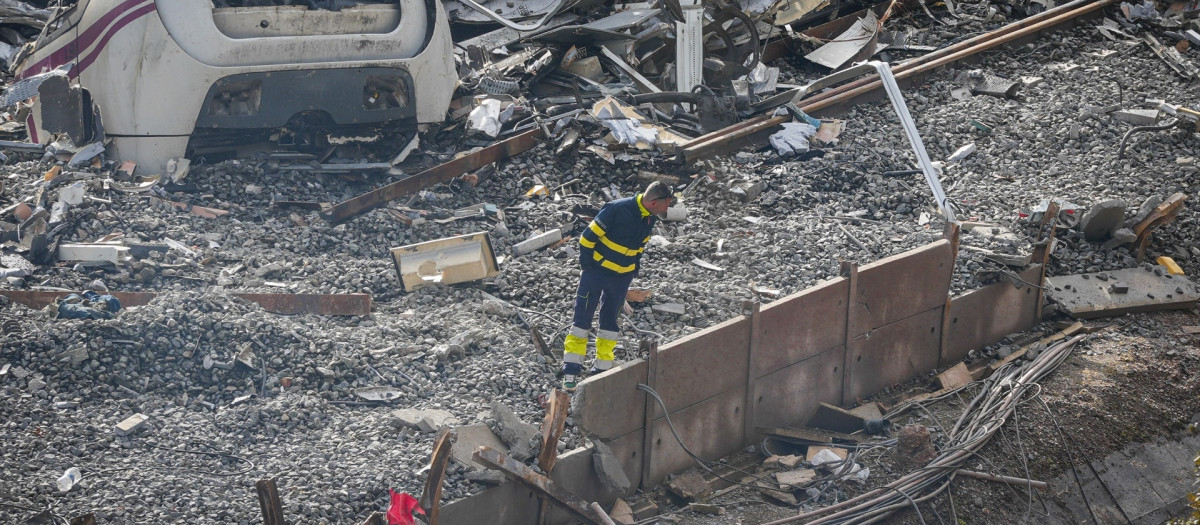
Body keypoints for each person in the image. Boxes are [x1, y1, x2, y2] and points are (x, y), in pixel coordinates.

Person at [561, 181, 673, 390]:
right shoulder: (617, 209)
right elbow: (586, 239)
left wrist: (632, 270)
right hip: (596, 274)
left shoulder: (649, 218)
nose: (668, 208)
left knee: (610, 321)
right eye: (667, 203)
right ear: (654, 202)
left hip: (621, 279)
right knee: (582, 319)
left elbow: (638, 247)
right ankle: (571, 371)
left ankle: (601, 369)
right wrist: (589, 268)